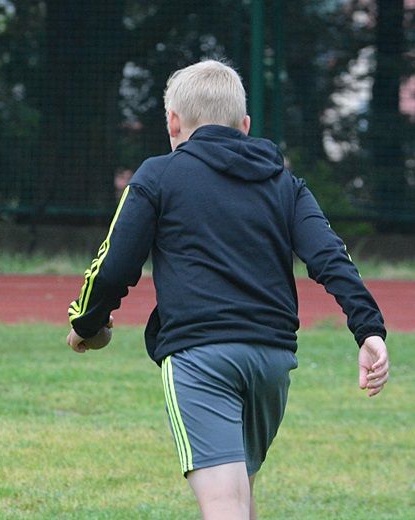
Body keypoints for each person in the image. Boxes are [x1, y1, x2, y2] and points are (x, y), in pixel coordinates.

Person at [66, 60, 389, 520]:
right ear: (244, 126)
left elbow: (114, 264)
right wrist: (369, 329)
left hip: (201, 356)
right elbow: (330, 258)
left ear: (173, 122)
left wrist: (85, 323)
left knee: (223, 505)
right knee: (240, 496)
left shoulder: (158, 175)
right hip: (272, 362)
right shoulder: (284, 183)